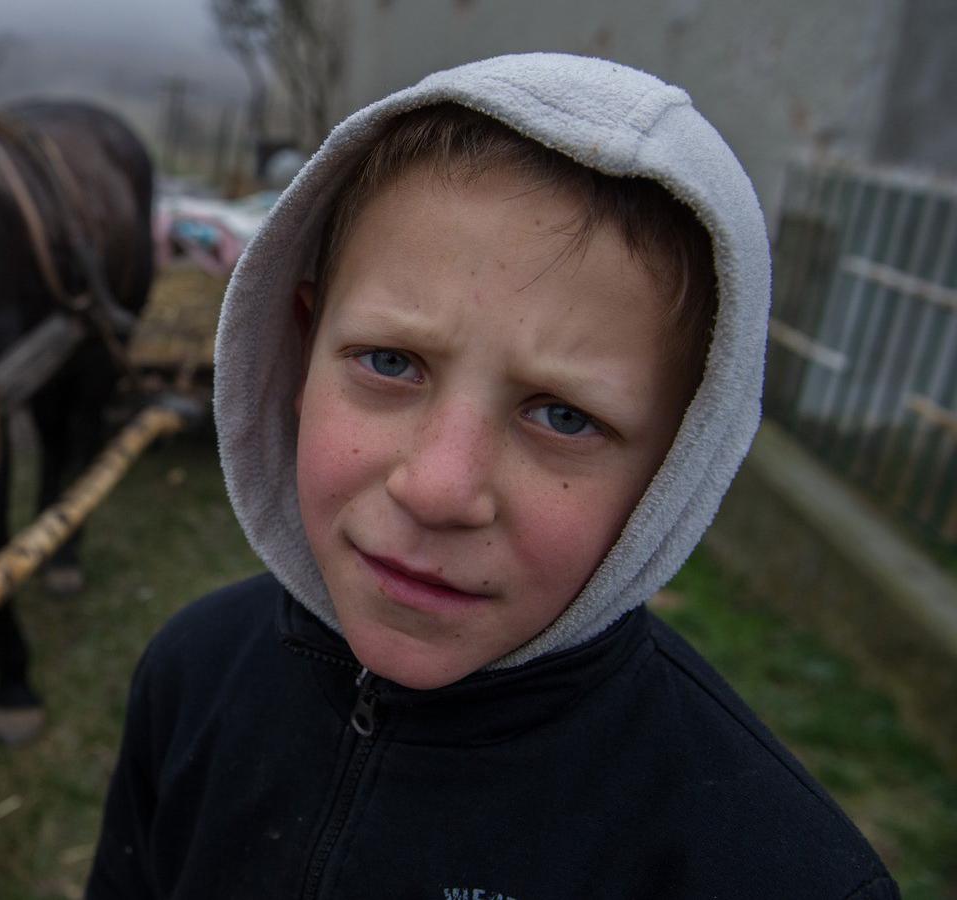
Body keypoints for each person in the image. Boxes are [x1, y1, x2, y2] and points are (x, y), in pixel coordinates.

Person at [87, 53, 898, 898]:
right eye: (391, 362)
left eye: (563, 416)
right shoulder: (190, 675)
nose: (438, 489)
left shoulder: (775, 871)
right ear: (300, 350)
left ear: (675, 462)